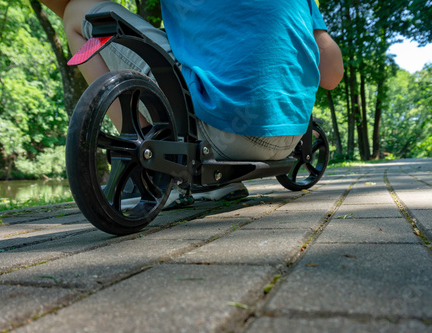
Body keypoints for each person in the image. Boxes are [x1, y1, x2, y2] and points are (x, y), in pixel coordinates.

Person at [40, 0, 343, 206]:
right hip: (290, 133)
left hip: (219, 128)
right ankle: (216, 181)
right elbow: (331, 73)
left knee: (76, 12)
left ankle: (154, 169)